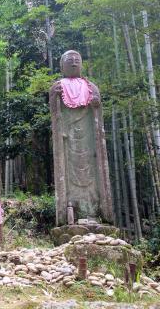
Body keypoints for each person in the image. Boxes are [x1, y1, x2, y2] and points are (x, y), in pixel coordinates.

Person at [50, 50, 113, 226]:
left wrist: (96, 103)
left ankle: (96, 211)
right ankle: (71, 211)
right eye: (69, 60)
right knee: (69, 172)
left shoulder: (91, 87)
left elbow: (98, 113)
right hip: (68, 139)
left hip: (89, 141)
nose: (74, 62)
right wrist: (55, 99)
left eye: (77, 59)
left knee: (92, 171)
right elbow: (55, 114)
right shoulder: (58, 87)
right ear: (62, 65)